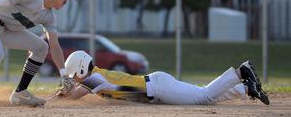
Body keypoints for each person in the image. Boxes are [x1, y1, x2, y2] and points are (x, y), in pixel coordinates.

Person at [56, 50, 270, 105]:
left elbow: (75, 96)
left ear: (82, 68)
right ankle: (246, 90)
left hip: (157, 87)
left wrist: (55, 100)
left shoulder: (94, 78)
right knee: (204, 96)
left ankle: (241, 72)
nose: (76, 79)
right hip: (157, 86)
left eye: (75, 75)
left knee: (203, 96)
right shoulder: (98, 75)